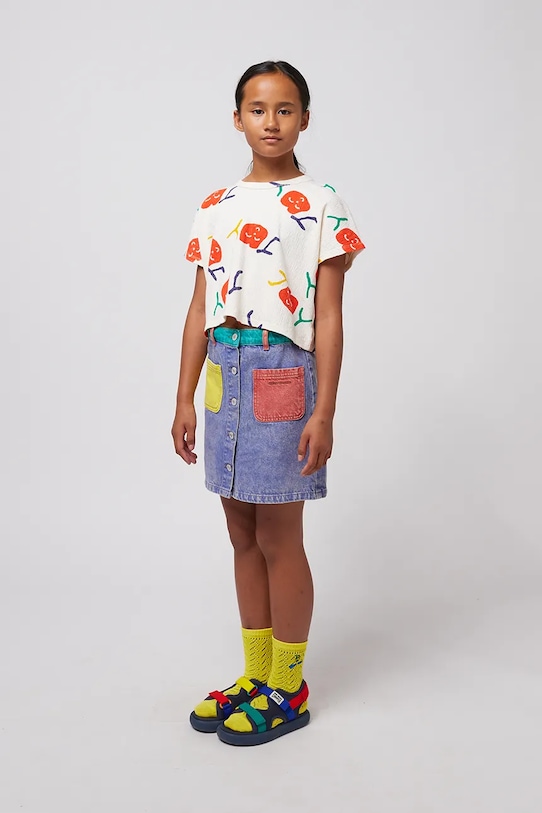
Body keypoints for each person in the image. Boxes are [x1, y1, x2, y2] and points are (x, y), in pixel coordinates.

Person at [171, 60, 365, 746]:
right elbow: (199, 307)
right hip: (223, 371)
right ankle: (256, 675)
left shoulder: (321, 202)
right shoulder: (216, 204)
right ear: (237, 119)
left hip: (282, 371)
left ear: (305, 119)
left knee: (280, 535)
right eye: (258, 109)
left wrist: (324, 410)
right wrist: (184, 396)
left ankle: (289, 685)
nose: (271, 122)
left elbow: (330, 316)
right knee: (241, 533)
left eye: (285, 109)